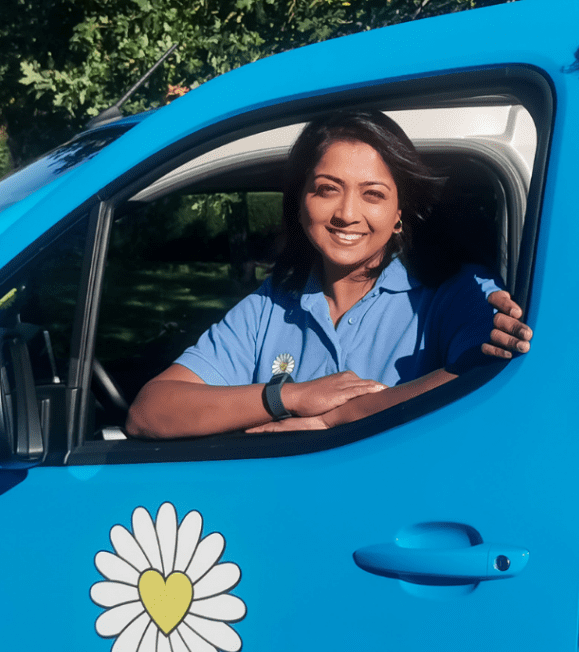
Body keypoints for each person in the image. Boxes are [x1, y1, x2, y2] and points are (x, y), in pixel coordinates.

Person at [126, 109, 531, 439]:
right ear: (300, 202)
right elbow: (149, 413)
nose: (347, 214)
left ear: (399, 217)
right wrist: (292, 397)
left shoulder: (454, 292)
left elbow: (481, 380)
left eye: (373, 194)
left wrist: (339, 418)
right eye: (326, 189)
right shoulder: (269, 307)